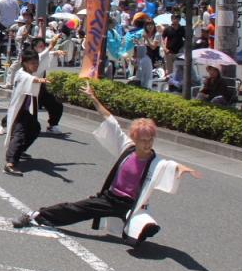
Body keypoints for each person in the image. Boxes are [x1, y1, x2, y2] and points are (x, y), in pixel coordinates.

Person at [12, 82, 201, 246]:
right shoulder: (127, 148)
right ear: (135, 138)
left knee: (144, 227)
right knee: (76, 209)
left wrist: (182, 168)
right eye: (143, 140)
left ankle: (136, 233)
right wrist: (93, 97)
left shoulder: (155, 162)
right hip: (110, 198)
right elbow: (110, 120)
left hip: (132, 205)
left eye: (150, 139)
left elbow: (170, 166)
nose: (147, 143)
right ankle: (35, 216)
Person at [2, 50, 49, 176]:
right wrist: (40, 80)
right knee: (19, 134)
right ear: (25, 63)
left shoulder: (28, 71)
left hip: (28, 108)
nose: (36, 66)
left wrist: (52, 49)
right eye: (33, 63)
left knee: (35, 129)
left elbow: (42, 56)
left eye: (37, 63)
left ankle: (20, 150)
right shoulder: (22, 74)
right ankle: (10, 164)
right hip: (20, 109)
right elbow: (30, 79)